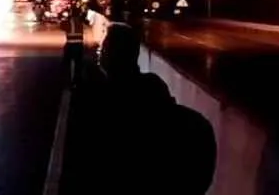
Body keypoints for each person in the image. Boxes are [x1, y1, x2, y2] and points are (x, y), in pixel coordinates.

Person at [68, 23, 217, 195]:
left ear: (113, 55)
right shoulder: (189, 122)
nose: (100, 52)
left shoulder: (99, 112)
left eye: (105, 47)